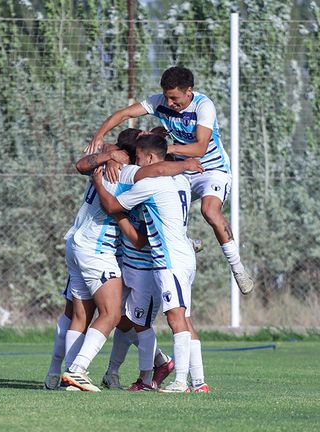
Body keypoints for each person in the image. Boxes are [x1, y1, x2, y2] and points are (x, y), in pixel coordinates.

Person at [89, 66, 254, 295]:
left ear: (189, 91)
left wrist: (162, 146)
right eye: (166, 96)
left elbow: (200, 147)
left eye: (174, 98)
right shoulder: (160, 102)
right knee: (152, 201)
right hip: (183, 169)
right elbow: (124, 114)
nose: (169, 102)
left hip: (211, 169)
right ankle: (185, 244)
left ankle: (238, 268)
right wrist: (100, 137)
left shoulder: (203, 106)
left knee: (209, 211)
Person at [60, 130, 202, 392]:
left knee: (113, 318)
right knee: (119, 317)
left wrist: (106, 157)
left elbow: (84, 166)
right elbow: (126, 215)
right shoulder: (142, 175)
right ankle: (80, 372)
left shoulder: (114, 169)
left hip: (105, 252)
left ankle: (86, 373)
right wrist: (184, 163)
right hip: (115, 256)